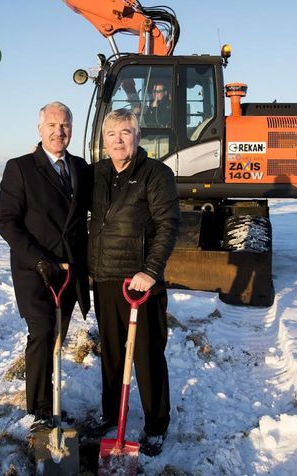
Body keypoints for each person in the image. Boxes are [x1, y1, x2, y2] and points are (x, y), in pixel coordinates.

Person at [86, 108, 180, 456]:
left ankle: (156, 424)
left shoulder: (156, 174)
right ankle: (111, 414)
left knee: (147, 355)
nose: (118, 140)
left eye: (125, 132)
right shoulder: (96, 174)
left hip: (141, 283)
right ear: (103, 140)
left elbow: (169, 225)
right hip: (106, 278)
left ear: (137, 136)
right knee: (111, 354)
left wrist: (151, 270)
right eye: (111, 134)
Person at [0, 101, 91, 432]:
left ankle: (52, 402)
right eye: (51, 125)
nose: (58, 131)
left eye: (64, 125)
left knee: (58, 338)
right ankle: (38, 410)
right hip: (34, 270)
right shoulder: (20, 167)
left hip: (69, 272)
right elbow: (5, 221)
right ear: (39, 130)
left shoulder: (80, 167)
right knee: (42, 332)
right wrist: (38, 259)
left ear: (71, 130)